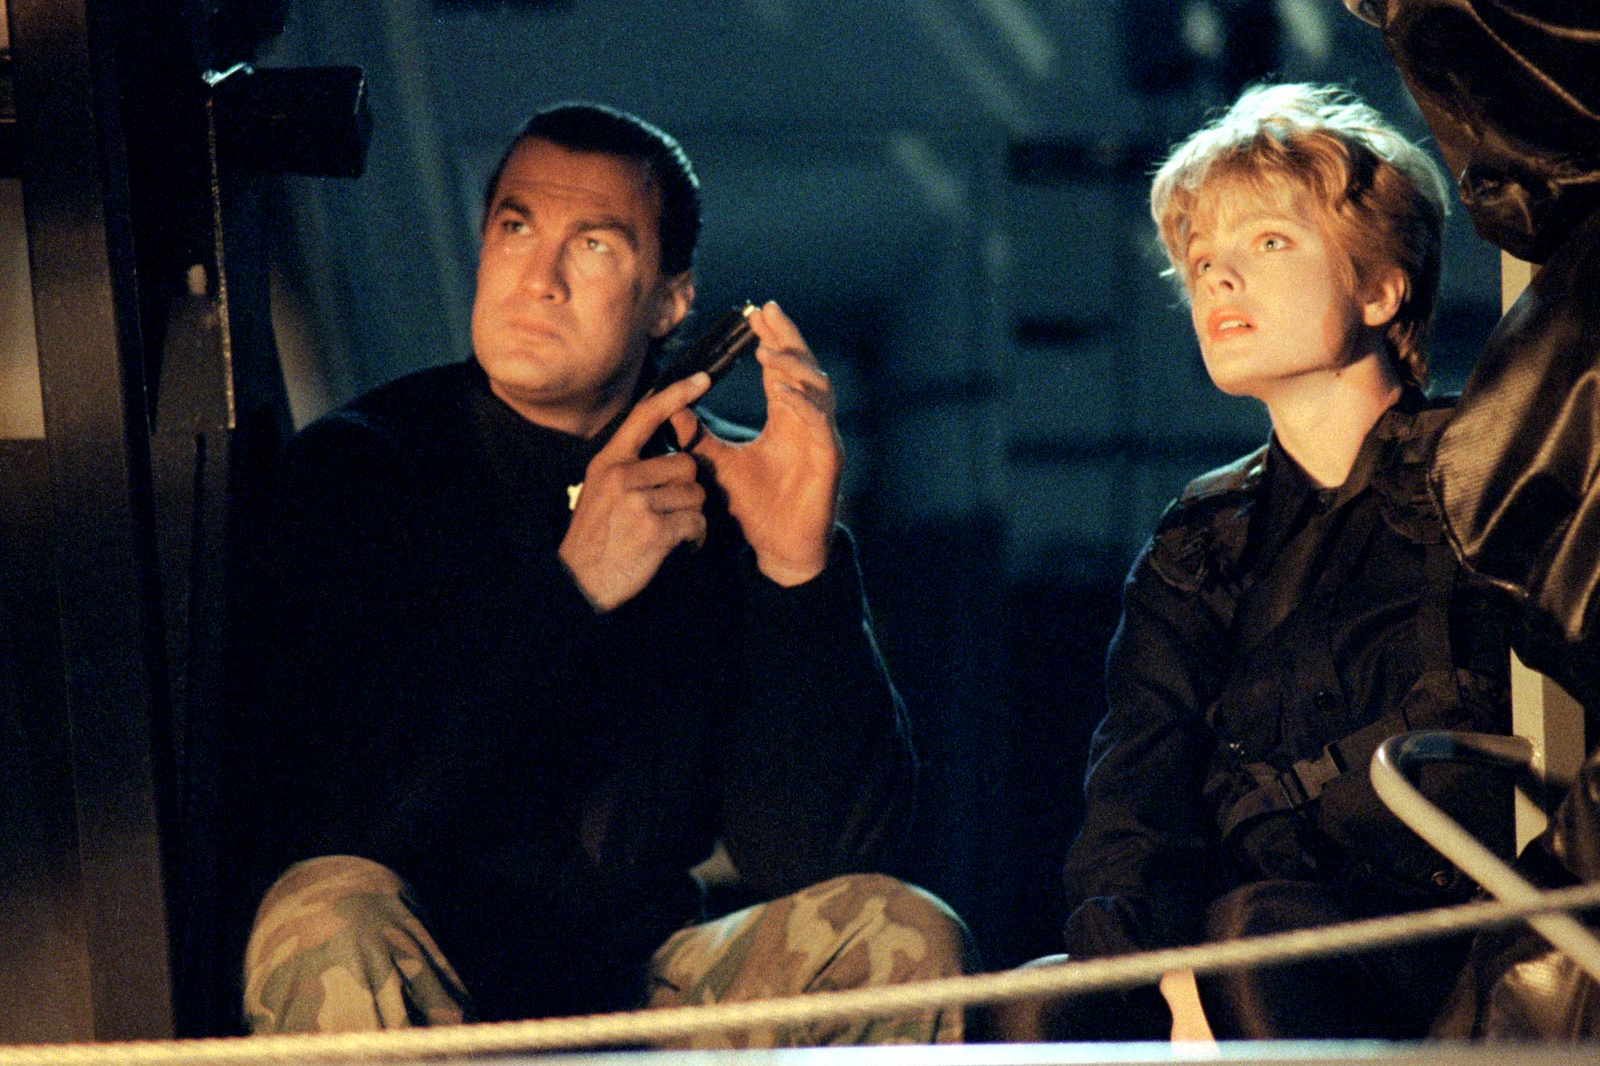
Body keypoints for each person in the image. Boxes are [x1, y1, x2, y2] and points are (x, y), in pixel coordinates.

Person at [224, 102, 971, 1044]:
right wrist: (570, 590)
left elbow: (820, 857)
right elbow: (329, 820)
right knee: (324, 912)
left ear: (670, 302)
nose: (539, 280)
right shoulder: (360, 471)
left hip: (641, 980)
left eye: (594, 246)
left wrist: (796, 568)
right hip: (426, 971)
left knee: (899, 934)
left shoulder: (725, 484)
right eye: (516, 229)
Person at [1024, 83, 1515, 1041]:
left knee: (1255, 938)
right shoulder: (1199, 546)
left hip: (1462, 938)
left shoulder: (1486, 475)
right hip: (1253, 940)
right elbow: (1135, 798)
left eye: (1269, 242)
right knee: (1046, 1004)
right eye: (1204, 260)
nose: (1219, 280)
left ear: (1380, 290)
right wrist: (1149, 974)